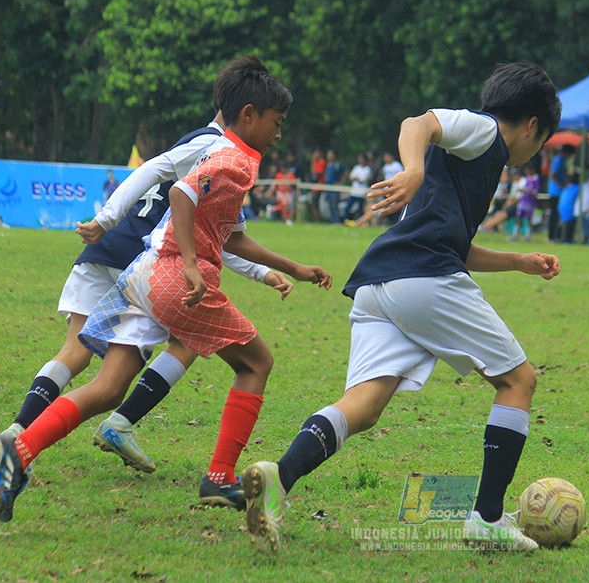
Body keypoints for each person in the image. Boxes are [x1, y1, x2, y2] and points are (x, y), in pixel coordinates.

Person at [0, 56, 332, 523]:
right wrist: (189, 262)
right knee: (257, 363)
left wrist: (292, 267)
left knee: (108, 388)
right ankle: (220, 476)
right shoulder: (229, 155)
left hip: (141, 274)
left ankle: (19, 450)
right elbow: (181, 194)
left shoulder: (232, 157)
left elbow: (232, 236)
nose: (279, 133)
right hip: (171, 277)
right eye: (277, 122)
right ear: (248, 115)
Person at [240, 61, 562, 552]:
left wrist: (518, 261)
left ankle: (277, 480)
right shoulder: (485, 132)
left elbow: (455, 244)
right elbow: (419, 123)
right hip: (422, 278)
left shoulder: (476, 160)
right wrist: (412, 168)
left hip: (380, 283)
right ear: (533, 126)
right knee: (518, 380)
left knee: (363, 407)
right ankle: (488, 519)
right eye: (540, 144)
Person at [546, 144, 574, 241]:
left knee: (557, 214)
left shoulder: (561, 160)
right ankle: (551, 236)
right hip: (555, 192)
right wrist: (562, 186)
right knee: (554, 214)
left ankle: (555, 235)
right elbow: (553, 175)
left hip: (557, 191)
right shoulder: (558, 160)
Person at [509, 161, 540, 241]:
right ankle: (516, 234)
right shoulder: (527, 178)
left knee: (529, 218)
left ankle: (528, 235)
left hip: (530, 201)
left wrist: (526, 190)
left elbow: (535, 191)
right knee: (519, 216)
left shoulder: (536, 179)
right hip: (523, 200)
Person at [343, 152, 373, 221]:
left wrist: (356, 178)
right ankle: (347, 220)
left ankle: (360, 223)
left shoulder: (367, 169)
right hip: (354, 192)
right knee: (348, 207)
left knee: (360, 210)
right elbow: (351, 177)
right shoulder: (356, 167)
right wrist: (356, 178)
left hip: (361, 193)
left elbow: (362, 180)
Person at [556, 173, 581, 244]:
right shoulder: (578, 188)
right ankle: (566, 239)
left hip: (560, 209)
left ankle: (561, 238)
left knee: (565, 222)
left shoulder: (567, 187)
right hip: (570, 210)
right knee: (570, 223)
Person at [324, 149, 345, 224]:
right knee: (330, 205)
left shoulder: (337, 165)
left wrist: (341, 182)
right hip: (328, 188)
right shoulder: (327, 164)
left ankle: (336, 221)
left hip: (335, 188)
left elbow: (345, 172)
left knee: (334, 205)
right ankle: (332, 221)